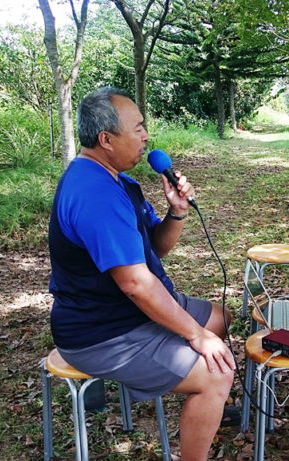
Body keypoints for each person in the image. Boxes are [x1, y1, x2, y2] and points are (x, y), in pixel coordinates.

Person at [48, 87, 235, 461]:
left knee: (221, 320)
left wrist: (177, 211)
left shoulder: (120, 181)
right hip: (103, 332)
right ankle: (204, 401)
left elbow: (157, 248)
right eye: (138, 128)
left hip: (130, 311)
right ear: (106, 139)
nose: (146, 136)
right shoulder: (94, 193)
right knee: (218, 372)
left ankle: (202, 407)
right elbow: (135, 283)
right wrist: (195, 337)